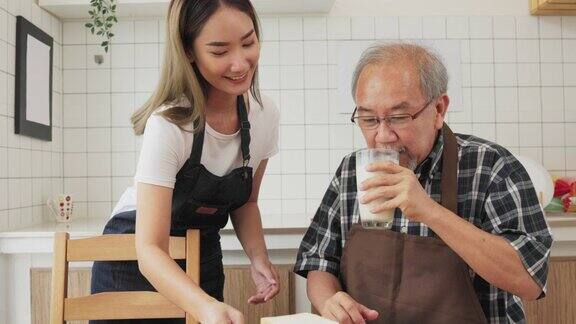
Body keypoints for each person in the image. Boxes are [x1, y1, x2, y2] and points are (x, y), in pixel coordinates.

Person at [294, 42, 553, 324]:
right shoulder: (350, 171)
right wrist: (330, 300)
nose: (382, 136)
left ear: (439, 109)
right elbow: (319, 262)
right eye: (368, 119)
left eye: (398, 117)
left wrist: (429, 210)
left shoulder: (492, 167)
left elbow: (530, 279)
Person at [90, 1, 280, 323]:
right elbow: (149, 250)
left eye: (248, 42)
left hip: (200, 248)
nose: (239, 63)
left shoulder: (265, 116)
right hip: (134, 253)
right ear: (189, 52)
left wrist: (258, 258)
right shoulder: (169, 124)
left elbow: (246, 202)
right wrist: (203, 305)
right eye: (220, 52)